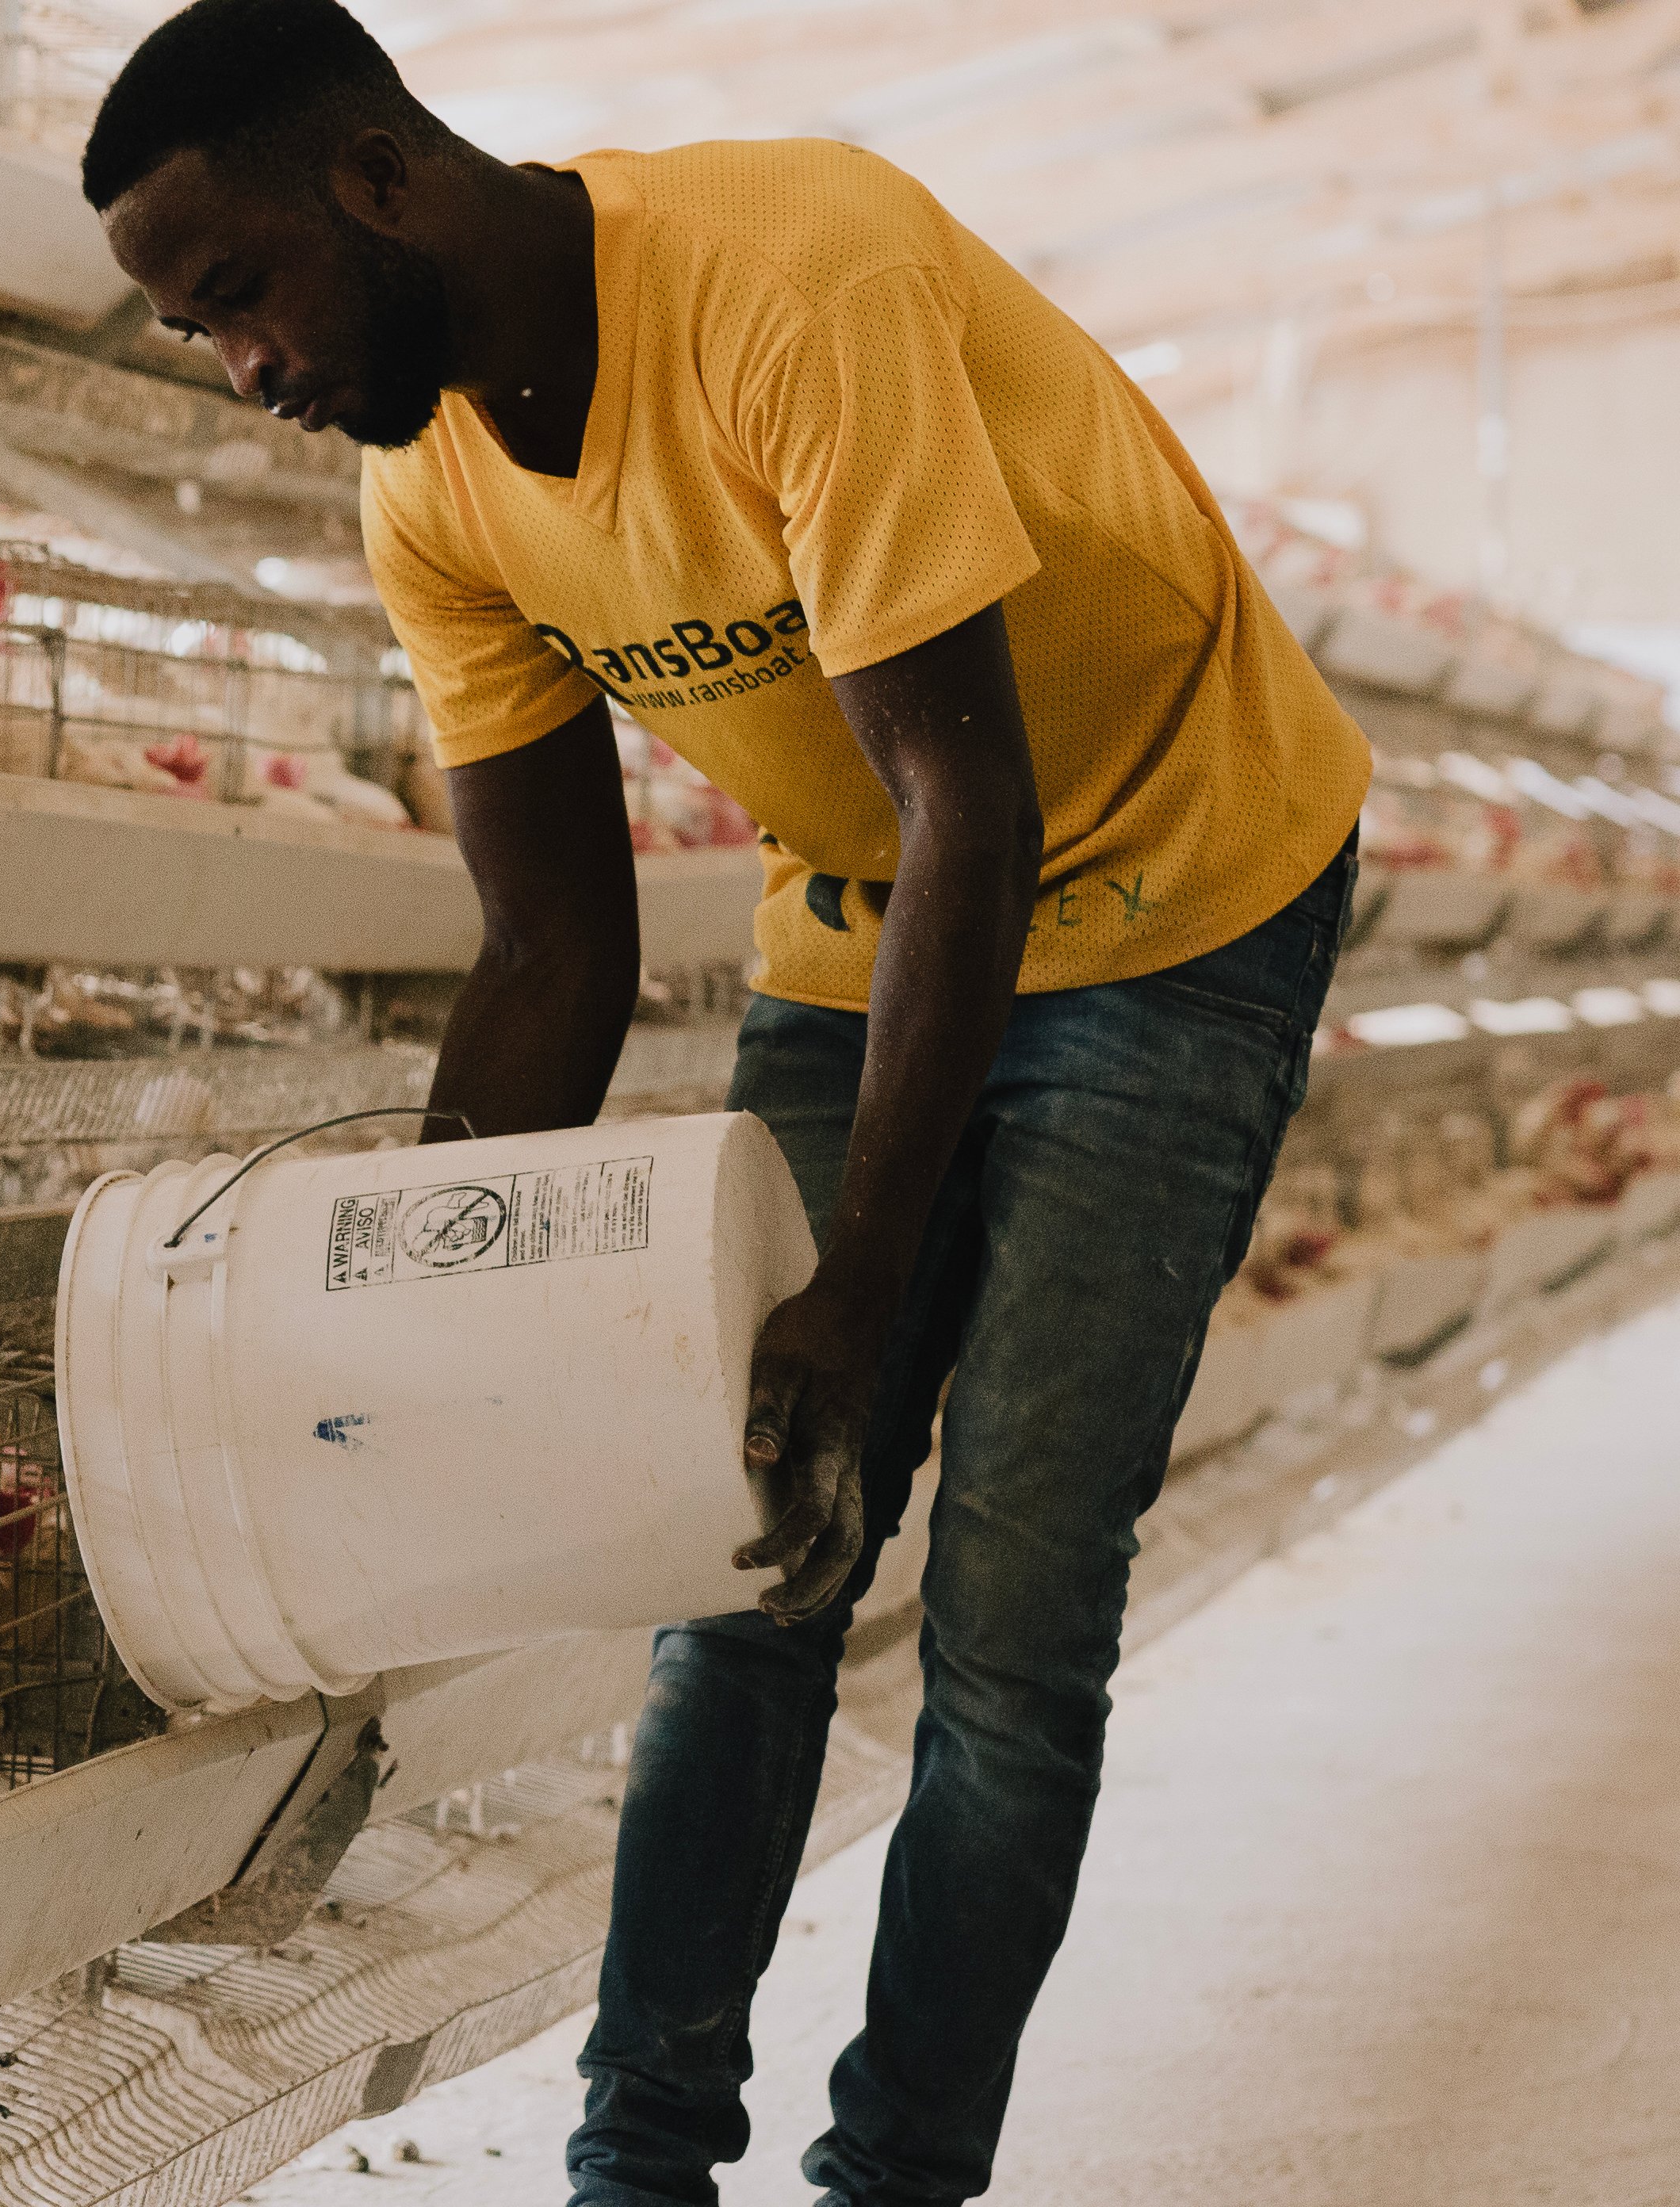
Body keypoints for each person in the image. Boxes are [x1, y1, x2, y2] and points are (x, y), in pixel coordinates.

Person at [83, 6, 1373, 2202]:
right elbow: (554, 950)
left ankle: (894, 2183)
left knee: (1013, 1617)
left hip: (1172, 890)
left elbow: (974, 793)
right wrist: (414, 1323)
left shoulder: (791, 285)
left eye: (239, 295)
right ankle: (640, 2167)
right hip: (878, 909)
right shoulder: (432, 492)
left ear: (379, 181)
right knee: (749, 1560)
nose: (246, 368)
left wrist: (866, 1284)